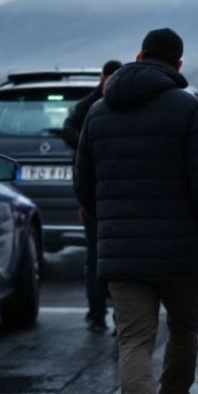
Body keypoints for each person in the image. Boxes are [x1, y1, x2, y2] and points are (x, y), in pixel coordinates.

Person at [74, 28, 198, 394]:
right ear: (178, 65)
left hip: (122, 250)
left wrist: (106, 220)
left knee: (134, 339)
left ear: (138, 57)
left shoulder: (100, 112)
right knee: (184, 330)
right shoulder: (189, 110)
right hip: (181, 250)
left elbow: (84, 184)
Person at [61, 59, 123, 332]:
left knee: (109, 257)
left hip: (105, 195)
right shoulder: (91, 107)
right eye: (106, 77)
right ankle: (98, 311)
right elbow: (70, 135)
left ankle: (117, 313)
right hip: (100, 197)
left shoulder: (93, 108)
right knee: (99, 255)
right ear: (102, 78)